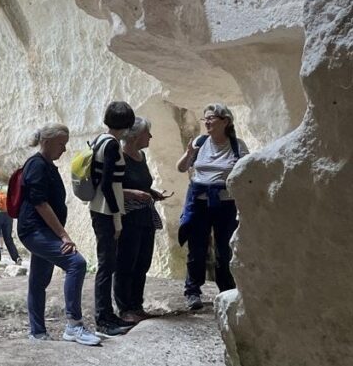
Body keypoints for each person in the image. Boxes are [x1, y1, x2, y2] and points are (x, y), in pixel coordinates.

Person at [18, 123, 100, 346]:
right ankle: (74, 325)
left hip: (39, 231)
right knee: (76, 263)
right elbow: (40, 203)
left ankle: (37, 333)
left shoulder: (46, 164)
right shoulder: (37, 165)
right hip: (34, 230)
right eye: (61, 144)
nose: (64, 149)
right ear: (47, 142)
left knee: (38, 281)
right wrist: (64, 236)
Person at [176, 103, 249, 311]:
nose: (207, 122)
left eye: (211, 118)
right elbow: (181, 168)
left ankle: (226, 290)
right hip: (198, 202)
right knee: (196, 247)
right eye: (205, 118)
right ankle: (192, 292)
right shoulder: (200, 142)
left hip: (226, 204)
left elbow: (247, 172)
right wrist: (189, 153)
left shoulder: (237, 146)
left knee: (225, 249)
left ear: (225, 121)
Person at [89, 101, 137, 336]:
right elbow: (108, 184)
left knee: (107, 264)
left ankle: (107, 314)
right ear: (126, 123)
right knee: (107, 265)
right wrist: (117, 218)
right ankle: (103, 318)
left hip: (99, 208)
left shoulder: (99, 139)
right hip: (106, 210)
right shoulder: (111, 145)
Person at [117, 118, 170, 322]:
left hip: (144, 215)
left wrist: (152, 193)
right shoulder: (119, 157)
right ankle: (125, 308)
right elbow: (109, 188)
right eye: (147, 133)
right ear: (136, 136)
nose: (150, 137)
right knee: (126, 262)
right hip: (128, 216)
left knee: (142, 262)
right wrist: (135, 195)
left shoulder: (141, 156)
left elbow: (142, 184)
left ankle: (136, 305)